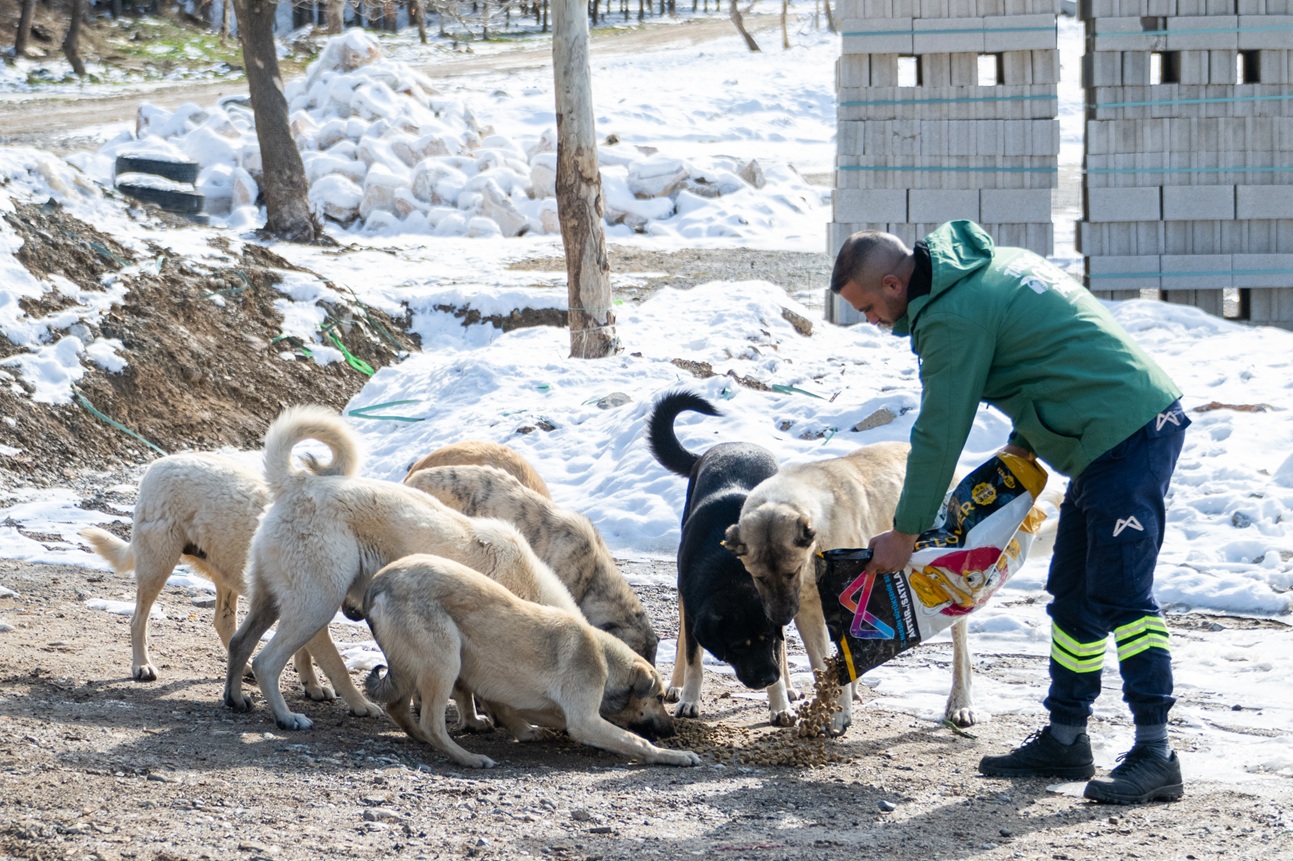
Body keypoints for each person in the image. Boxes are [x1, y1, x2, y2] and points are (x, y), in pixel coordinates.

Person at [830, 220, 1190, 805]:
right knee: (1072, 591)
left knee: (1124, 593)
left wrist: (906, 532)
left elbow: (940, 432)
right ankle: (1066, 737)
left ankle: (1156, 752)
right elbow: (1050, 354)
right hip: (1103, 436)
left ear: (894, 285)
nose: (870, 321)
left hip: (1129, 433)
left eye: (867, 306)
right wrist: (1024, 442)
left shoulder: (951, 317)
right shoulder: (987, 269)